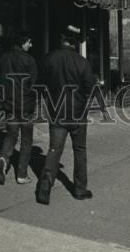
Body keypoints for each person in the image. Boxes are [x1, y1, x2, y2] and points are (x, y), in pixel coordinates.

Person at [35, 24, 97, 205]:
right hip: (77, 114)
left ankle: (45, 187)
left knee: (54, 149)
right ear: (75, 42)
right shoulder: (82, 62)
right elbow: (90, 89)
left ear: (62, 40)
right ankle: (79, 188)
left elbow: (40, 84)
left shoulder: (49, 59)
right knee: (80, 150)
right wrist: (83, 103)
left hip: (56, 113)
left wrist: (48, 100)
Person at [0, 31, 37, 185]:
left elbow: (0, 81)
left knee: (11, 136)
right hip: (25, 106)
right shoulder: (29, 60)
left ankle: (3, 159)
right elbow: (34, 85)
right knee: (26, 140)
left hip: (10, 104)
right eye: (29, 42)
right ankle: (22, 174)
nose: (31, 45)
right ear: (23, 42)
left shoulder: (4, 58)